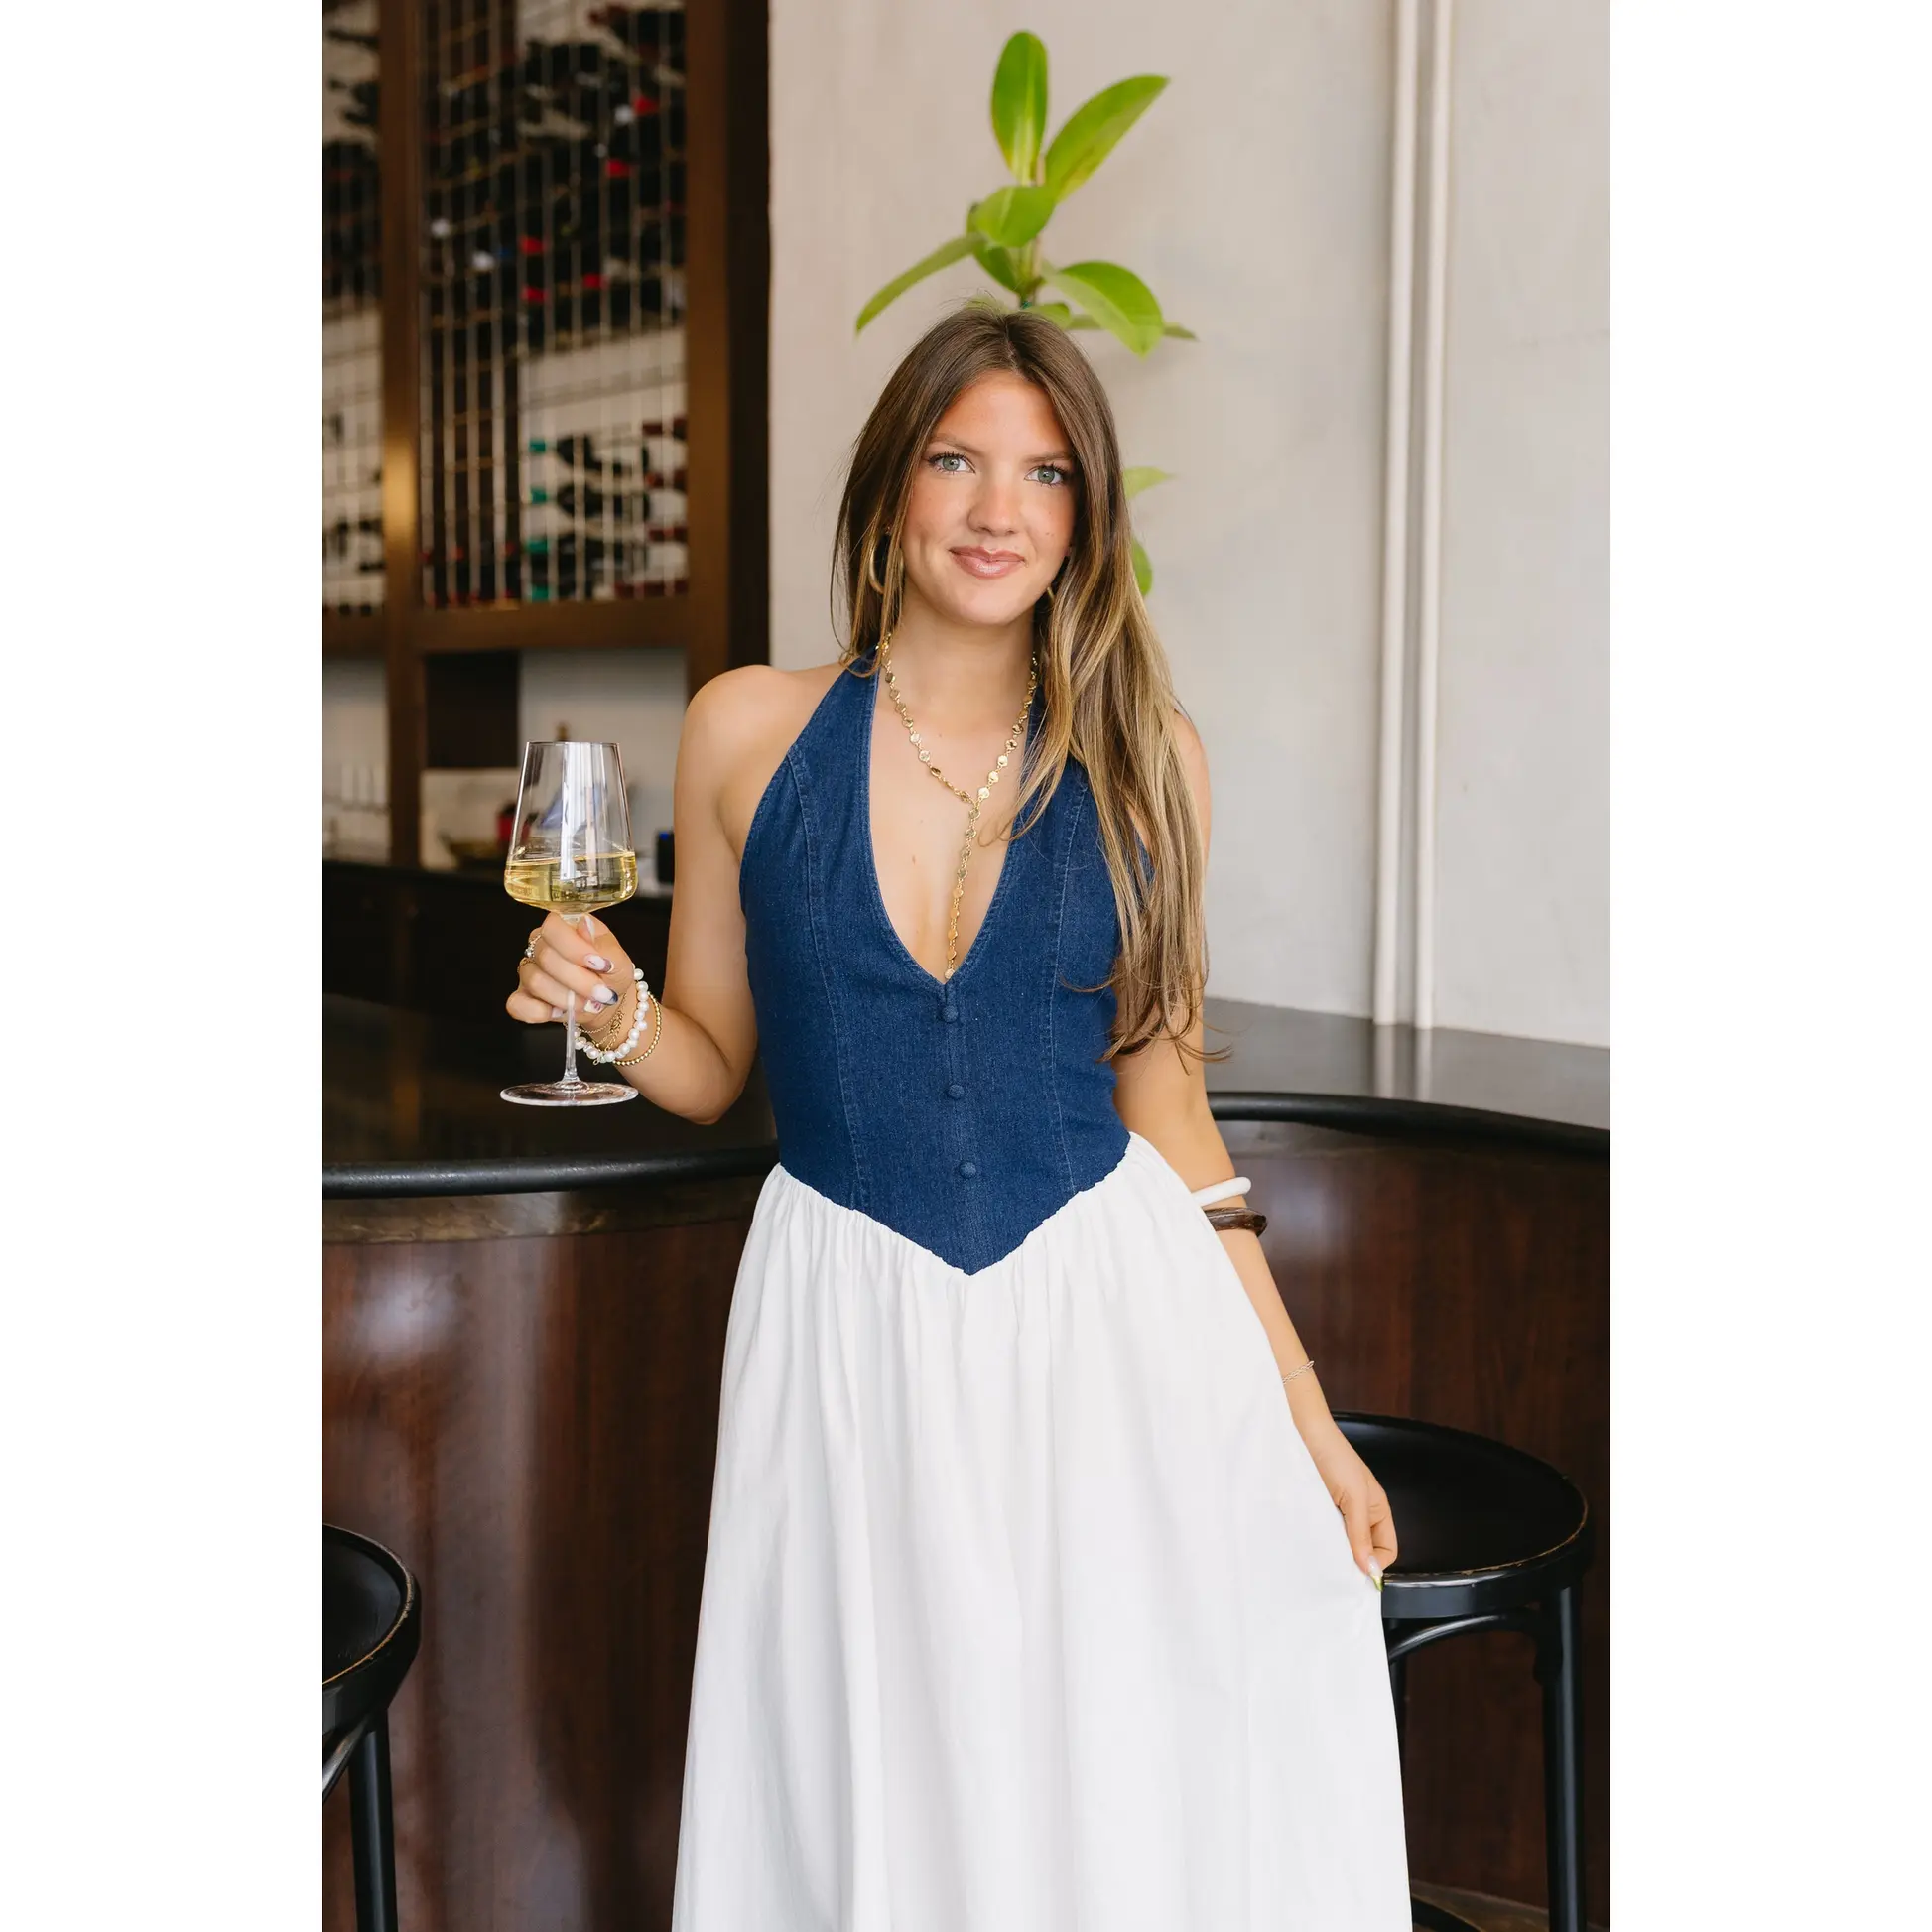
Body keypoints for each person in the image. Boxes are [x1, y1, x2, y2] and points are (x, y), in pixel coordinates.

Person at [508, 304, 1412, 1928]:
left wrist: (1305, 1412)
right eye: (956, 461)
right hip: (843, 1324)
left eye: (1045, 474)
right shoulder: (743, 729)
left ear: (1085, 517)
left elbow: (1168, 1102)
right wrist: (612, 1005)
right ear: (889, 487)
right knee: (877, 1768)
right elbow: (713, 1066)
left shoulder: (1151, 760)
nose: (999, 510)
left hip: (1102, 1321)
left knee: (1095, 1764)